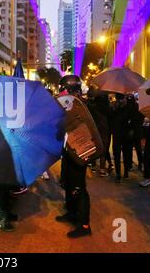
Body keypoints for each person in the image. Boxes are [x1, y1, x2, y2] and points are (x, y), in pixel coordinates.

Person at [56, 75, 92, 238]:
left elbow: (93, 133)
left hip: (80, 152)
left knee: (79, 187)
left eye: (63, 89)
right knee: (69, 183)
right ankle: (71, 212)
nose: (61, 92)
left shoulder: (83, 107)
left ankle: (84, 224)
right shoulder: (68, 105)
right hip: (68, 151)